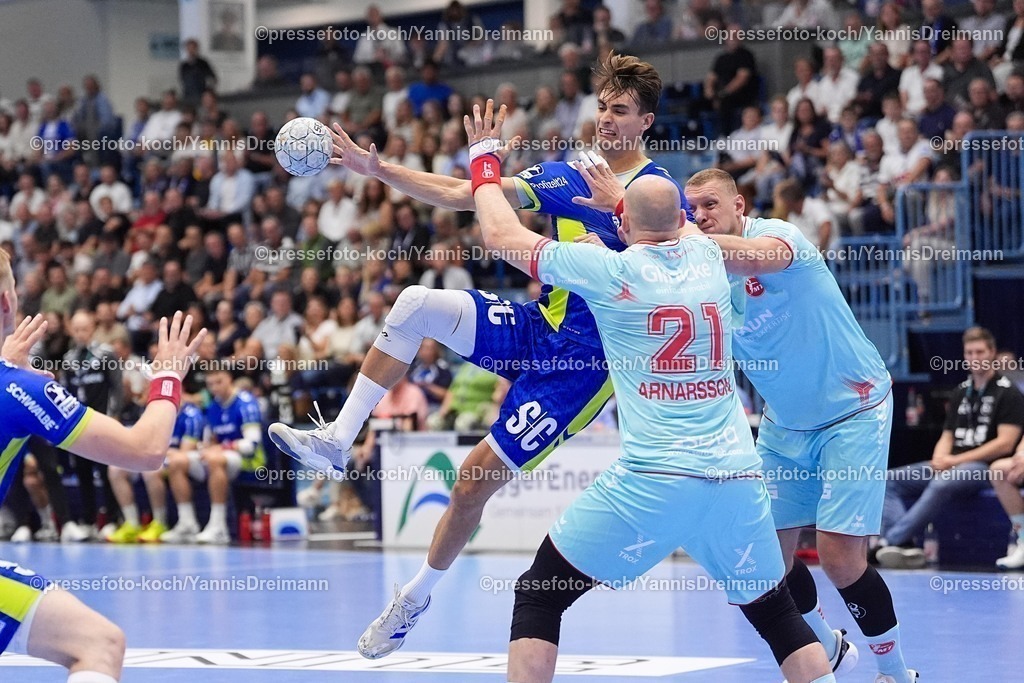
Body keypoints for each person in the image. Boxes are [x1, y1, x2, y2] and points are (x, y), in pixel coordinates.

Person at [268, 53, 693, 659]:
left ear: (646, 122)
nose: (606, 120)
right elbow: (471, 194)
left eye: (620, 111)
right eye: (601, 106)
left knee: (469, 484)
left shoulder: (656, 192)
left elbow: (673, 267)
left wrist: (615, 213)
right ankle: (339, 437)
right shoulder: (569, 174)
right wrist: (377, 168)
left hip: (582, 369)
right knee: (415, 302)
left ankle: (415, 597)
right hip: (537, 326)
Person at [466, 101, 836, 683]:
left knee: (539, 593)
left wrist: (484, 161)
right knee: (779, 618)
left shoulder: (611, 272)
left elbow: (499, 233)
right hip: (736, 478)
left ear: (620, 227)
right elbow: (664, 221)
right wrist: (621, 198)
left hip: (653, 481)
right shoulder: (711, 258)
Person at [576, 167, 914, 681]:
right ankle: (830, 647)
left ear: (740, 205)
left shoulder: (778, 238)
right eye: (691, 210)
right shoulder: (698, 274)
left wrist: (632, 202)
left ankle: (896, 672)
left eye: (711, 205)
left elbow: (755, 258)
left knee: (839, 557)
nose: (701, 217)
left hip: (855, 408)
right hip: (784, 426)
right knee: (762, 564)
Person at [0, 253, 205, 682]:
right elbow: (147, 449)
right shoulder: (20, 387)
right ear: (6, 301)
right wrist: (167, 376)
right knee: (98, 644)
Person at [880, 327, 1024, 568]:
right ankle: (904, 546)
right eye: (969, 352)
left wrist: (952, 463)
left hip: (982, 468)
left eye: (980, 351)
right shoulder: (960, 392)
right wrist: (940, 458)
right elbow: (947, 435)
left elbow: (1005, 443)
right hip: (952, 463)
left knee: (943, 482)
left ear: (992, 353)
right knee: (888, 480)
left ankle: (890, 541)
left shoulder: (1008, 393)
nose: (975, 357)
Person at [161, 368, 266, 545]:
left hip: (249, 461)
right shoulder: (212, 407)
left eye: (219, 382)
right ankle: (187, 523)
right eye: (210, 384)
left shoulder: (246, 403)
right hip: (219, 457)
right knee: (176, 461)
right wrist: (205, 448)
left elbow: (252, 444)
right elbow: (209, 441)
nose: (214, 388)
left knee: (214, 459)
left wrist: (221, 448)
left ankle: (219, 527)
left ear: (229, 378)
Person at [106, 401, 205, 543]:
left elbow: (185, 450)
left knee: (152, 470)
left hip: (187, 458)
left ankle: (160, 522)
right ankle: (132, 523)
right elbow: (143, 444)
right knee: (115, 469)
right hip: (160, 457)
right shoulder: (153, 414)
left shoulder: (190, 415)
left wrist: (156, 452)